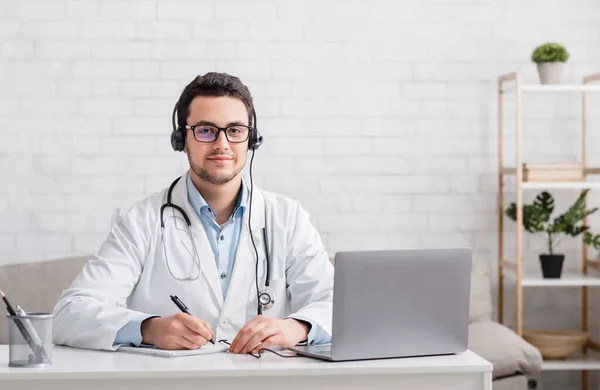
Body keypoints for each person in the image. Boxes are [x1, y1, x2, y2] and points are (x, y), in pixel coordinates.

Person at [52, 72, 334, 354]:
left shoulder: (287, 218)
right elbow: (70, 313)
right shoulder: (140, 220)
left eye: (235, 130)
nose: (222, 144)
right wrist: (147, 328)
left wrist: (297, 327)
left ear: (252, 139)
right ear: (181, 139)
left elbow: (338, 304)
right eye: (205, 130)